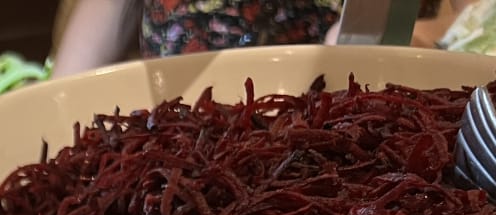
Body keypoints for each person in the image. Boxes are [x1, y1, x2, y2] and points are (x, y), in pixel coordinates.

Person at [52, 0, 439, 78]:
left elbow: (452, 18)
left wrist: (382, 38)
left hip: (322, 121)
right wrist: (61, 97)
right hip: (173, 134)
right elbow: (107, 11)